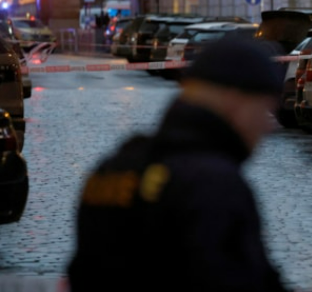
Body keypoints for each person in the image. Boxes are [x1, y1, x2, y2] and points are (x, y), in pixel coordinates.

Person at [68, 37, 290, 292]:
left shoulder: (112, 169)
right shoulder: (213, 184)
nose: (267, 124)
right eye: (263, 109)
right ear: (234, 99)